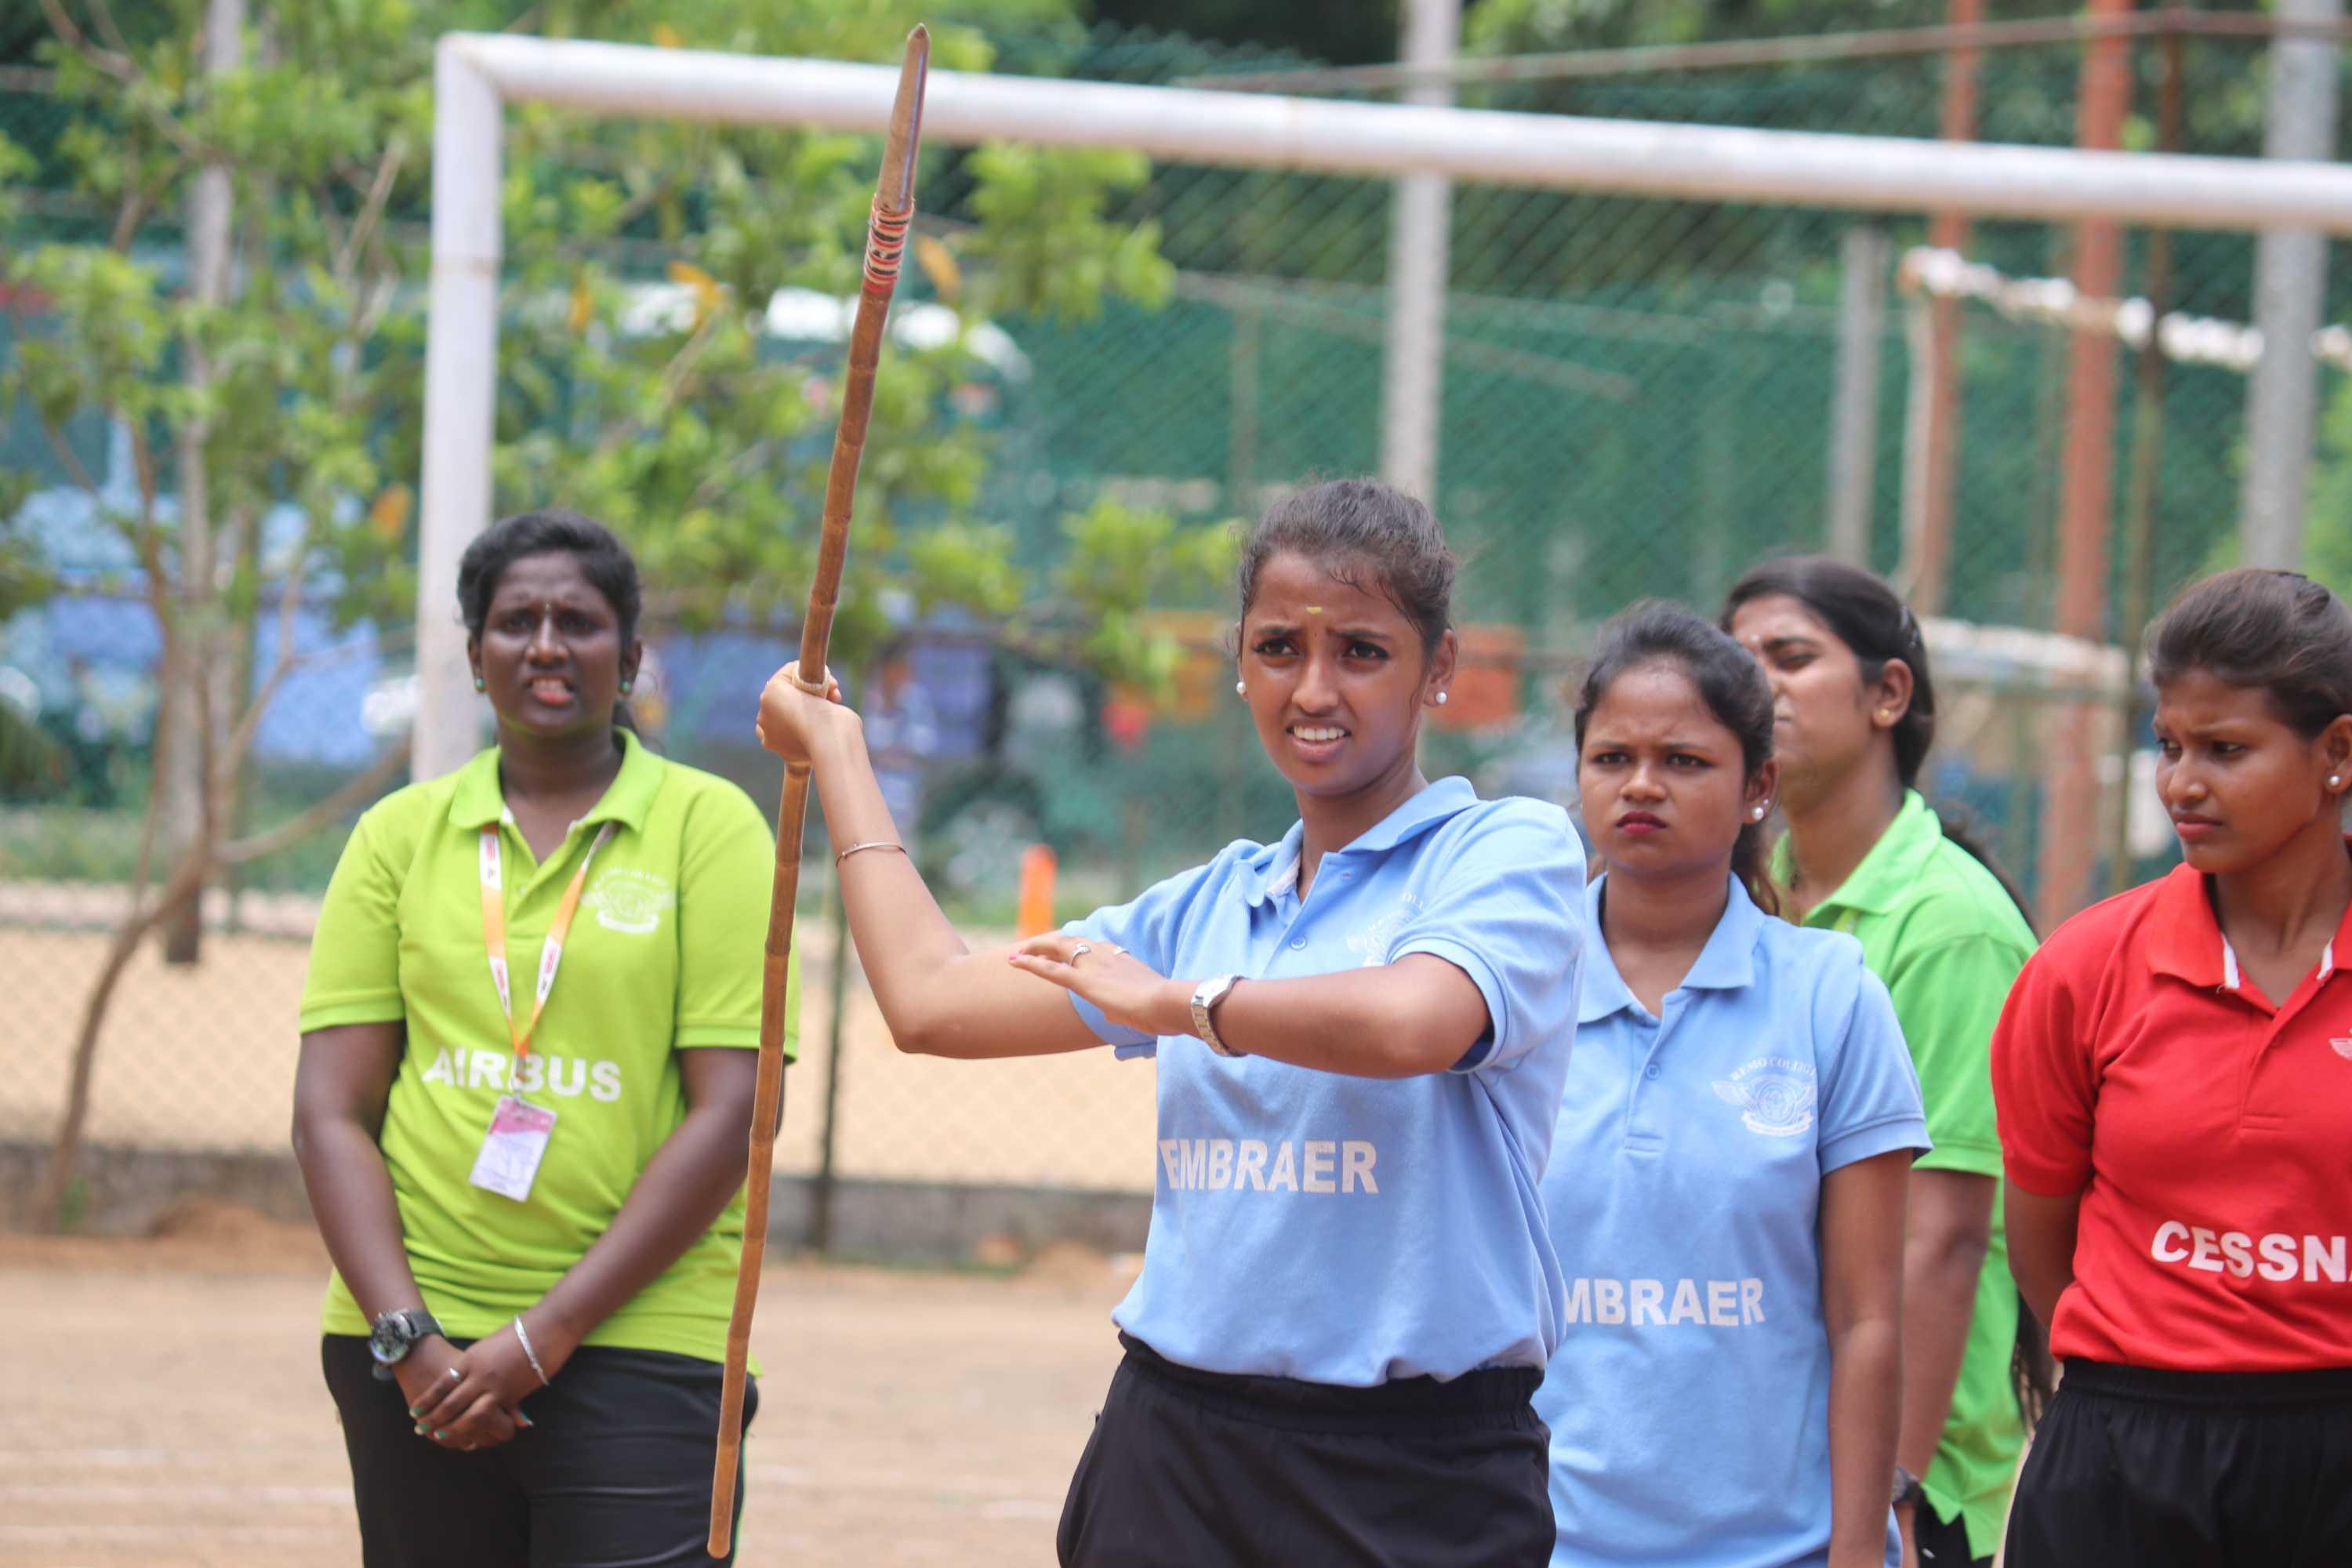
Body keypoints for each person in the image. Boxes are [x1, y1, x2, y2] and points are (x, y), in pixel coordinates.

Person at [757, 478, 1584, 1566]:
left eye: (1363, 652)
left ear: (1439, 668)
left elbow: (1412, 1023)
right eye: (1279, 647)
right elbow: (931, 998)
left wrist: (1181, 1005)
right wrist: (840, 755)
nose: (1314, 688)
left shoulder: (1505, 851)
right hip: (1175, 1452)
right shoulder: (1208, 903)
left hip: (1416, 1474)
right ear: (1239, 661)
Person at [292, 509, 794, 1567]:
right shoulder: (397, 836)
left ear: (632, 657)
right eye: (516, 622)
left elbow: (737, 1110)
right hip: (415, 1347)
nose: (548, 645)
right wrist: (407, 1338)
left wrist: (548, 1330)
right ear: (477, 659)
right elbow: (331, 1112)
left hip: (644, 1340)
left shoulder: (710, 829)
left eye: (581, 621)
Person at [1539, 603, 1923, 1568]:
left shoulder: (1832, 996)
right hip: (1540, 1541)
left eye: (1684, 760)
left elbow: (1868, 1318)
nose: (1642, 784)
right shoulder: (1510, 991)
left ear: (1759, 785)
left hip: (1780, 1548)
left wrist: (1855, 1552)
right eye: (1612, 756)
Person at [1991, 568, 2352, 1566]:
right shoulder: (2084, 967)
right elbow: (2042, 1241)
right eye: (2170, 745)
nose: (2183, 783)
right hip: (2126, 1448)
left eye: (2226, 749)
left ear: (2338, 752)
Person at [1722, 560, 2040, 1568]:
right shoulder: (1748, 895)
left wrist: (1887, 1495)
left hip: (1903, 1479)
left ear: (1887, 693)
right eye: (1736, 658)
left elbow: (1941, 1238)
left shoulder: (1949, 924)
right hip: (1772, 1448)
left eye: (1790, 656)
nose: (1756, 682)